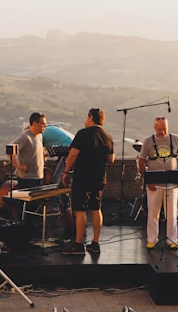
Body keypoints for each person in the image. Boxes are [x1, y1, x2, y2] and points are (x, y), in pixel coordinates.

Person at [61, 108, 114, 255]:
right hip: (99, 176)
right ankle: (95, 243)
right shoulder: (107, 136)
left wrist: (65, 172)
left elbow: (72, 155)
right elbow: (111, 159)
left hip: (83, 176)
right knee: (96, 208)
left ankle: (78, 245)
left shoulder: (83, 134)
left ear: (90, 117)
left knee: (79, 209)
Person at [137, 116, 178, 250]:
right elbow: (141, 161)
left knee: (172, 214)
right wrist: (147, 180)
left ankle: (172, 240)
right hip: (154, 185)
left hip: (172, 184)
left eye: (164, 129)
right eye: (159, 129)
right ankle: (152, 239)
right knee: (153, 214)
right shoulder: (148, 141)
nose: (162, 132)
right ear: (154, 128)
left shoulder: (175, 139)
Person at [10, 112, 47, 189]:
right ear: (35, 123)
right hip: (27, 179)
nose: (45, 126)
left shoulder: (39, 136)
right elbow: (10, 151)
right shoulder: (25, 137)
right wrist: (18, 166)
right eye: (42, 124)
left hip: (38, 177)